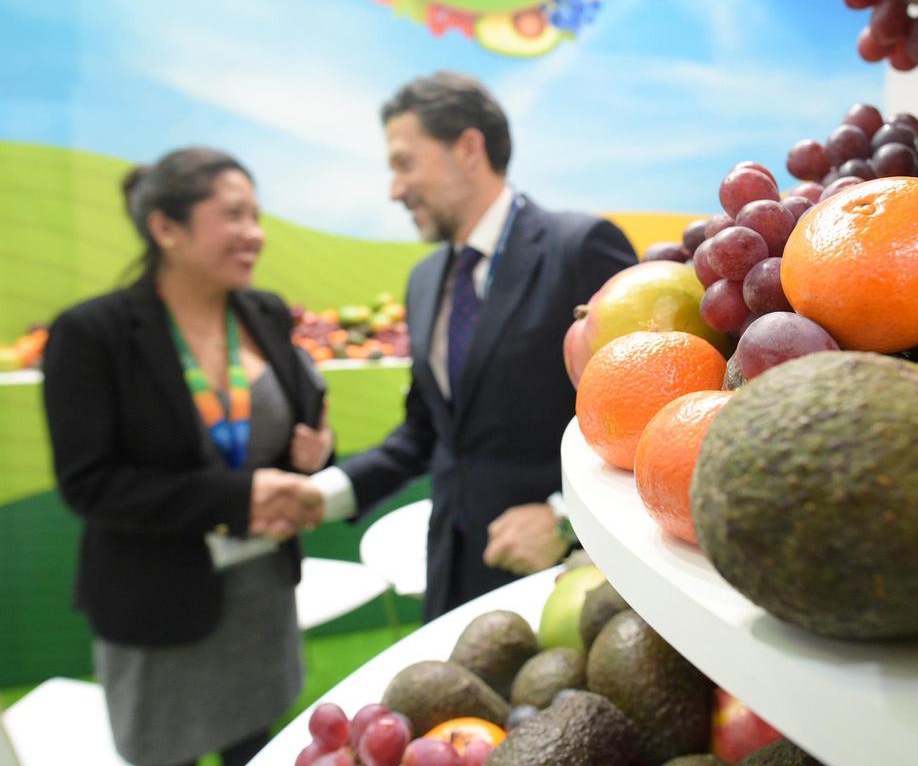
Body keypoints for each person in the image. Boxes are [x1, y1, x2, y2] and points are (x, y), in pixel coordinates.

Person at [305, 71, 638, 620]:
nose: (394, 189)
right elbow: (427, 431)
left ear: (467, 148)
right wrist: (324, 494)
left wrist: (561, 519)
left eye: (404, 163)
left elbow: (639, 421)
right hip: (450, 574)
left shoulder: (579, 248)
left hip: (560, 585)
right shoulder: (424, 281)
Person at [41, 147, 333, 766]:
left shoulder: (263, 311)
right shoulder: (93, 335)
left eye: (257, 215)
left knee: (259, 742)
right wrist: (237, 499)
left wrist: (311, 449)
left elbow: (291, 418)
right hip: (160, 607)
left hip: (260, 593)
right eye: (234, 215)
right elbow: (89, 485)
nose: (255, 234)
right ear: (166, 228)